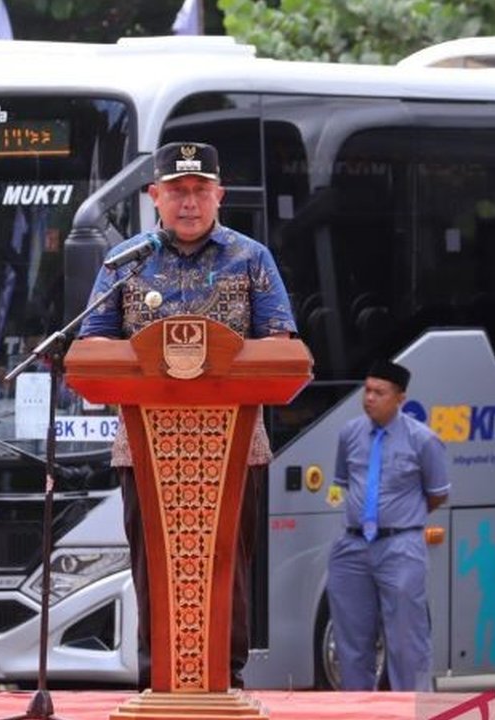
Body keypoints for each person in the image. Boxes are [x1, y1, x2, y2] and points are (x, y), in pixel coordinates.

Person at [78, 140, 297, 688]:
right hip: (146, 448)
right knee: (154, 566)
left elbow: (284, 346)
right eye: (178, 191)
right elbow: (90, 346)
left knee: (229, 564)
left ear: (220, 195)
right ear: (155, 196)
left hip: (235, 447)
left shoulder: (251, 259)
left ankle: (226, 680)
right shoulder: (125, 262)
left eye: (201, 190)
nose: (190, 202)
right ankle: (160, 681)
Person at [326, 359, 450, 691]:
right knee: (351, 641)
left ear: (400, 398)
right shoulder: (350, 434)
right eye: (366, 390)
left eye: (379, 392)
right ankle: (358, 711)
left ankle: (411, 709)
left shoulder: (422, 440)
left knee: (406, 643)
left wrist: (400, 517)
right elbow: (342, 483)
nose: (369, 398)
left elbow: (437, 494)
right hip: (352, 547)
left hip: (400, 548)